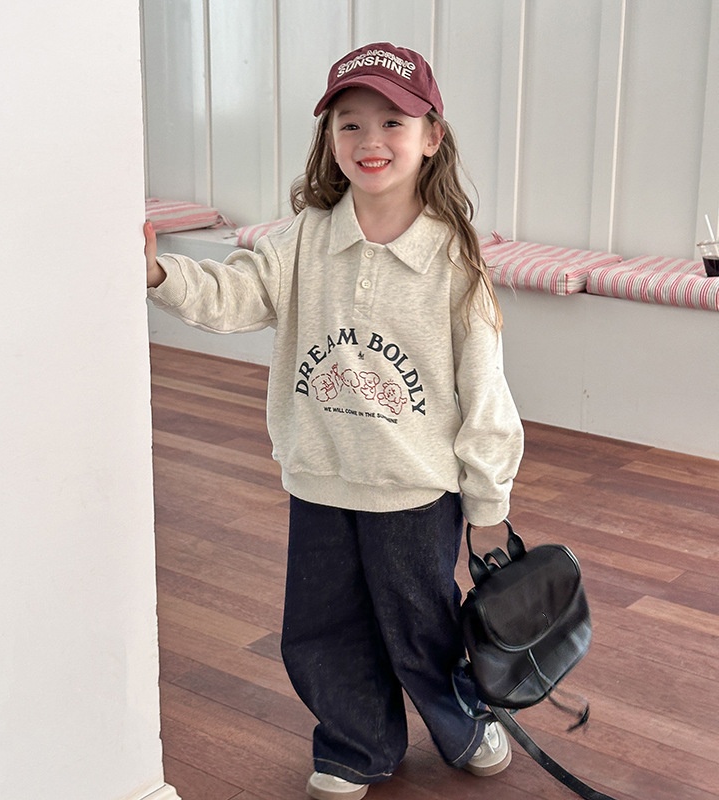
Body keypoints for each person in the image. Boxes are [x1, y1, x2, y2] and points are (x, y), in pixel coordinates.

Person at [146, 41, 524, 800]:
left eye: (392, 122)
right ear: (329, 137)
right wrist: (157, 272)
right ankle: (356, 745)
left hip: (414, 489)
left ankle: (465, 724)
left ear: (431, 136)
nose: (369, 140)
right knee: (324, 628)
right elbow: (235, 296)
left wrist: (488, 505)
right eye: (350, 123)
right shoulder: (302, 240)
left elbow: (485, 392)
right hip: (319, 479)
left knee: (421, 629)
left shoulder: (454, 261)